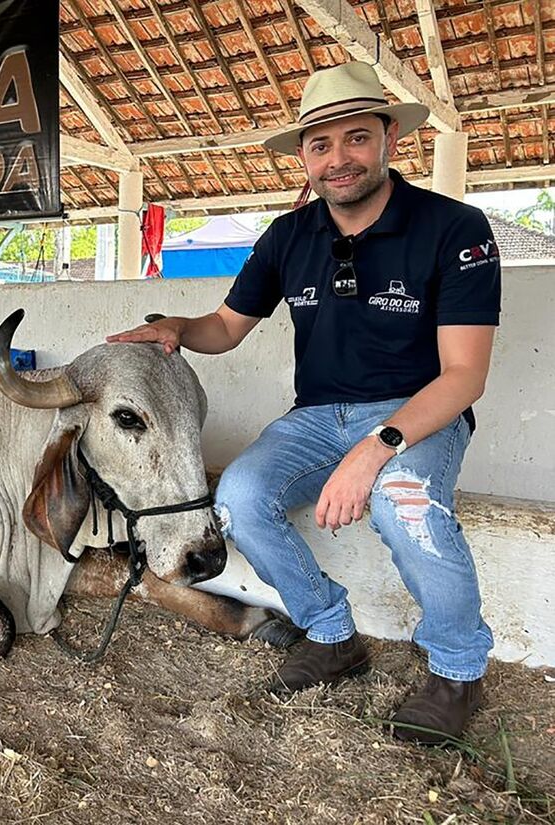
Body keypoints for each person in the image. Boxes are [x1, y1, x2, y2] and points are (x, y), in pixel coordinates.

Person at [108, 61, 501, 746]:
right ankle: (330, 632)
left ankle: (458, 669)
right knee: (238, 495)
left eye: (355, 138)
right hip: (318, 417)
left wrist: (375, 449)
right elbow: (226, 328)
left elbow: (464, 375)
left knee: (402, 501)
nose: (337, 158)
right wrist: (177, 327)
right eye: (319, 144)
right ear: (304, 157)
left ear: (388, 140)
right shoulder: (289, 237)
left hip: (416, 409)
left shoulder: (454, 228)